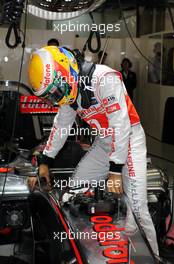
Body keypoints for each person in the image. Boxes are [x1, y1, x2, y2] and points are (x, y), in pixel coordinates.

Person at [27, 46, 159, 256]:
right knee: (72, 192)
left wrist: (115, 170)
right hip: (104, 143)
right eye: (51, 96)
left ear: (67, 70)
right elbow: (61, 127)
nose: (57, 98)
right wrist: (45, 161)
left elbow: (121, 124)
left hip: (129, 141)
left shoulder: (104, 78)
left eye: (56, 91)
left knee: (138, 209)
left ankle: (153, 257)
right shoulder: (68, 96)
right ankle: (83, 252)